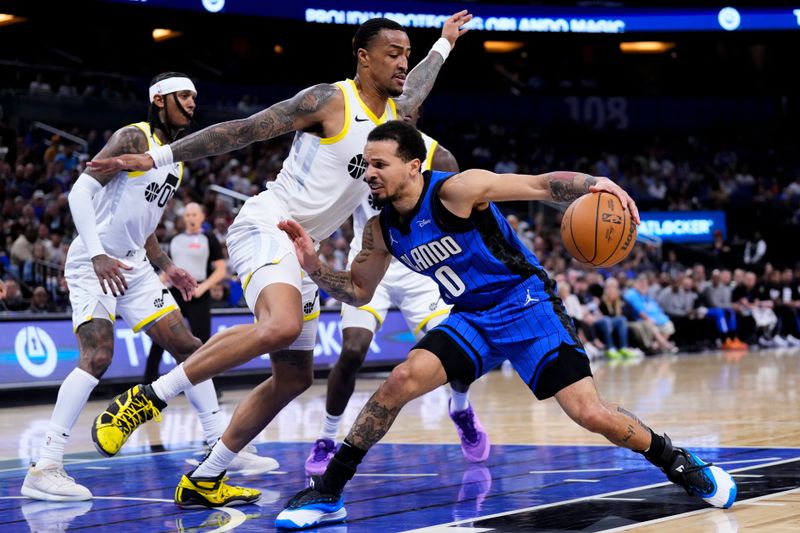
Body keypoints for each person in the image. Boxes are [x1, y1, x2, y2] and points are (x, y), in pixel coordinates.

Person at [87, 13, 473, 508]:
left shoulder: (395, 117)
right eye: (393, 53)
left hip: (302, 247)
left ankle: (205, 478)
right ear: (363, 57)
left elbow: (417, 85)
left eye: (406, 53)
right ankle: (145, 400)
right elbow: (245, 130)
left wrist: (442, 45)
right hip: (268, 222)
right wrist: (160, 158)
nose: (403, 63)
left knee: (293, 377)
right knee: (282, 326)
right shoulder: (329, 100)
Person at [274, 121, 735, 529]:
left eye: (379, 163)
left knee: (590, 414)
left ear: (413, 166)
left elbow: (538, 186)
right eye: (366, 165)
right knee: (400, 380)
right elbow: (358, 291)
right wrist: (314, 266)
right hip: (471, 316)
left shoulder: (456, 191)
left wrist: (598, 183)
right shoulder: (382, 230)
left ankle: (677, 461)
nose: (369, 172)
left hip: (526, 304)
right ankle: (329, 491)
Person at [21, 73, 275, 503]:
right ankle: (45, 466)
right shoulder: (130, 138)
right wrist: (100, 254)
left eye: (195, 96)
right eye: (184, 96)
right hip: (92, 261)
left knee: (189, 347)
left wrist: (165, 264)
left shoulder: (172, 158)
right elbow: (79, 194)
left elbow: (144, 221)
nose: (193, 103)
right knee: (98, 354)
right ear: (160, 100)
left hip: (136, 265)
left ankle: (218, 442)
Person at [305, 106, 489, 476]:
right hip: (372, 264)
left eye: (410, 108)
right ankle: (326, 437)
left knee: (455, 357)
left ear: (419, 114)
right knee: (353, 351)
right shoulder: (359, 150)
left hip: (422, 267)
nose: (401, 111)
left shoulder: (438, 155)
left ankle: (460, 407)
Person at [144, 202, 228, 384]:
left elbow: (221, 270)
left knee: (202, 343)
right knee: (161, 339)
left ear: (202, 217)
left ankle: (208, 386)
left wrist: (203, 287)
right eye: (188, 215)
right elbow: (168, 270)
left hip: (199, 294)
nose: (191, 218)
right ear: (184, 218)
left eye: (194, 214)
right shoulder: (174, 239)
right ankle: (147, 383)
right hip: (175, 293)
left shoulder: (209, 238)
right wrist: (155, 285)